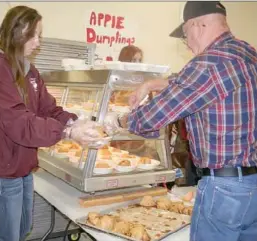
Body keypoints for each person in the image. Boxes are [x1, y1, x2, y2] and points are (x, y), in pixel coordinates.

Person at [104, 2, 257, 241]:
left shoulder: (208, 63)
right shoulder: (246, 52)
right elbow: (194, 83)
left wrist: (118, 121)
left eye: (185, 35)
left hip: (224, 188)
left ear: (197, 25)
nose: (186, 43)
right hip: (251, 184)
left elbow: (153, 117)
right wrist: (152, 83)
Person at [0, 6, 106, 241]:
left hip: (23, 166)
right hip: (1, 170)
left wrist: (77, 122)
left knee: (23, 228)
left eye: (40, 36)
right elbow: (19, 122)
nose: (38, 43)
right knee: (9, 236)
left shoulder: (30, 71)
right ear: (16, 32)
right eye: (33, 35)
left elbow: (49, 109)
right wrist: (67, 132)